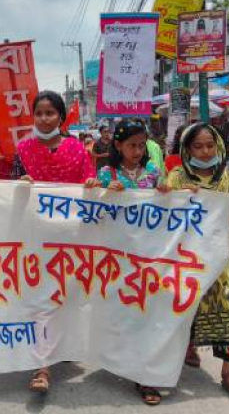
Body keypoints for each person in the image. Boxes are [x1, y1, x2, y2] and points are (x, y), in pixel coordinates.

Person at [9, 90, 100, 394]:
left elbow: (90, 182)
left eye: (50, 113)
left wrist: (91, 185)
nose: (44, 119)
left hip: (71, 237)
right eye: (39, 113)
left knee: (66, 297)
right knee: (38, 299)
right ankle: (42, 366)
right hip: (35, 235)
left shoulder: (77, 149)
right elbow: (10, 189)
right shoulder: (22, 149)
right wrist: (19, 185)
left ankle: (62, 346)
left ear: (61, 117)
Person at [157, 122, 229, 401]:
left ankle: (228, 371)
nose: (205, 150)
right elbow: (163, 216)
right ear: (187, 149)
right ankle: (184, 349)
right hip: (183, 258)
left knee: (227, 305)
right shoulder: (175, 177)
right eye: (197, 146)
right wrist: (167, 194)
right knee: (181, 306)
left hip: (217, 256)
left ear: (218, 146)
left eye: (210, 145)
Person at [92, 119, 162, 405]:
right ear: (118, 145)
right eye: (131, 145)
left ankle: (145, 375)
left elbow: (168, 208)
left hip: (149, 256)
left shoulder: (154, 173)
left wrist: (167, 194)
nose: (137, 150)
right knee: (123, 316)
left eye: (141, 145)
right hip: (117, 258)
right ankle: (122, 361)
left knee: (148, 315)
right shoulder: (107, 175)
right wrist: (100, 192)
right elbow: (95, 214)